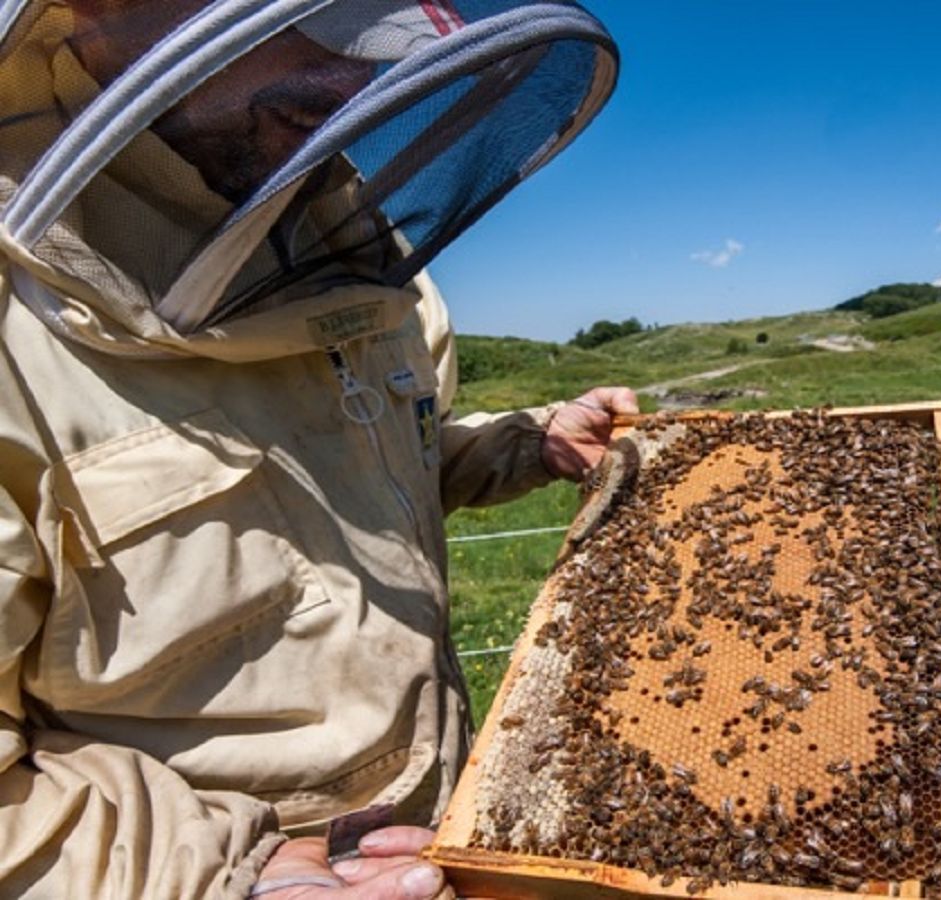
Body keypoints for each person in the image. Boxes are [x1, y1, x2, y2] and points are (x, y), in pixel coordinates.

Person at [0, 1, 627, 896]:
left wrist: (525, 446)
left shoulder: (368, 275)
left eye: (376, 24)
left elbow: (363, 475)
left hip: (445, 837)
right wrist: (226, 872)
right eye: (318, 15)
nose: (353, 75)